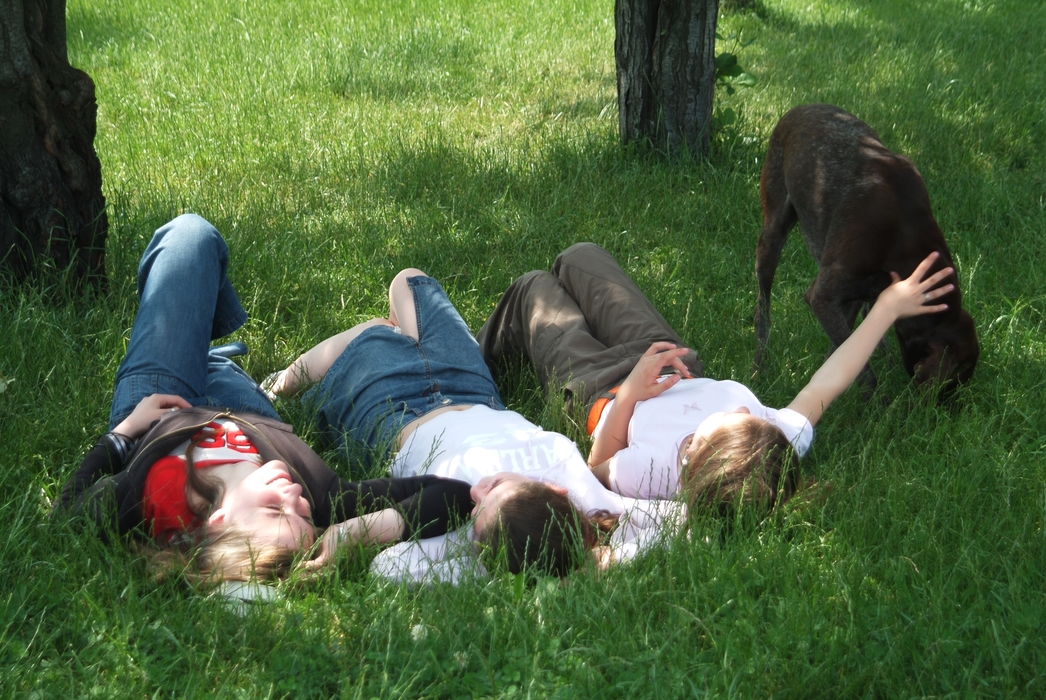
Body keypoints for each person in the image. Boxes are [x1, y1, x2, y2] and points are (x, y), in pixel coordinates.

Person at [53, 214, 474, 584]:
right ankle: (214, 361)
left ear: (216, 524)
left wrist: (123, 434)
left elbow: (66, 514)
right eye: (304, 516)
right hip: (251, 412)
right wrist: (359, 530)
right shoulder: (322, 496)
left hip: (157, 407)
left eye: (276, 510)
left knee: (191, 236)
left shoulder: (146, 498)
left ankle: (200, 353)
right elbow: (456, 494)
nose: (294, 497)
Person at [476, 242, 954, 518]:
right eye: (697, 440)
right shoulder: (774, 444)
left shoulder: (661, 474)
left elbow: (598, 465)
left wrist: (627, 397)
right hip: (667, 359)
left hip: (603, 392)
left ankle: (464, 358)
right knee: (580, 257)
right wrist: (888, 307)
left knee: (533, 288)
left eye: (688, 452)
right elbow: (826, 385)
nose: (685, 447)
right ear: (748, 419)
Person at [266, 268, 682, 581]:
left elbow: (389, 567)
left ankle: (275, 387)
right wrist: (598, 559)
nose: (477, 493)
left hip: (394, 411)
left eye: (478, 509)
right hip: (469, 386)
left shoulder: (476, 538)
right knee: (410, 281)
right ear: (554, 491)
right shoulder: (578, 486)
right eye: (497, 489)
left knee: (368, 340)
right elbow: (675, 521)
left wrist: (484, 565)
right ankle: (389, 334)